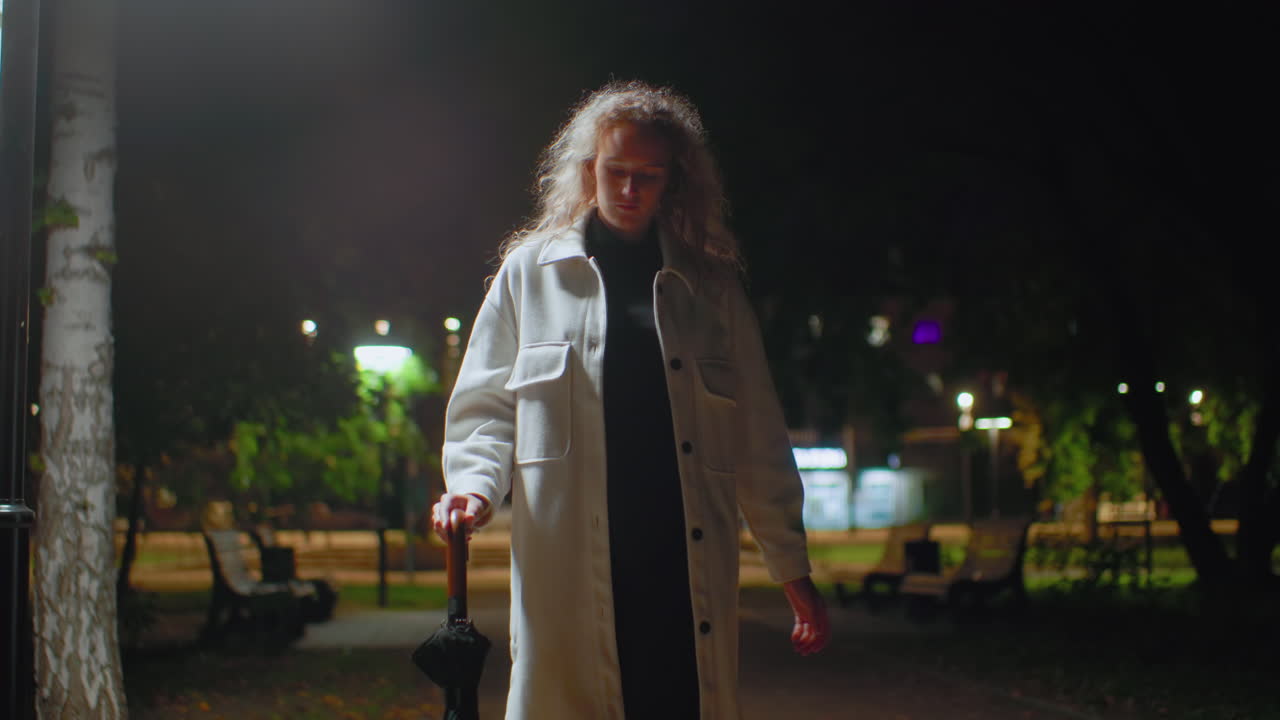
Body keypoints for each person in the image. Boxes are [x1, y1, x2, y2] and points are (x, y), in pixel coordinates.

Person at [432, 80, 829, 720]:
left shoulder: (711, 288)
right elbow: (487, 409)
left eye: (649, 174)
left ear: (674, 179)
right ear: (589, 170)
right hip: (567, 565)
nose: (630, 190)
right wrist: (474, 488)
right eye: (617, 171)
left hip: (683, 562)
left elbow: (756, 435)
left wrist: (793, 571)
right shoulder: (528, 276)